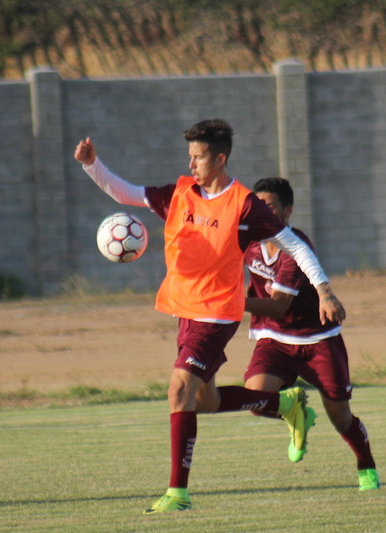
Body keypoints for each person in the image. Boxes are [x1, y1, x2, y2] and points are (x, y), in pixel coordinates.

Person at [73, 119, 346, 514]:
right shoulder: (180, 193)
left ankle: (177, 494)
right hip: (185, 310)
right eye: (190, 156)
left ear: (220, 159)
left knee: (178, 390)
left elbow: (296, 247)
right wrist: (92, 165)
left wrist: (324, 291)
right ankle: (284, 406)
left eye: (199, 157)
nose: (192, 164)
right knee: (203, 400)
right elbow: (126, 193)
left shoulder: (245, 204)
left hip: (217, 313)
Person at [243, 177, 380, 491]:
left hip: (317, 341)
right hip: (275, 339)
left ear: (287, 211)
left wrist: (227, 303)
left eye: (269, 207)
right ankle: (296, 414)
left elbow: (278, 306)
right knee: (255, 398)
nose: (260, 214)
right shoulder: (248, 242)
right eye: (256, 207)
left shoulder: (295, 246)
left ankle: (366, 468)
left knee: (341, 418)